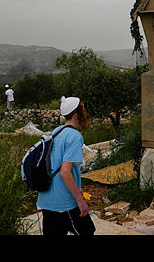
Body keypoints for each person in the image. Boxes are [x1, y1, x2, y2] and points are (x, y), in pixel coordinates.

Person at [36, 96, 95, 236]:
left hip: (47, 199)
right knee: (87, 231)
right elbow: (65, 172)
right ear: (76, 115)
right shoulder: (74, 136)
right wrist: (80, 201)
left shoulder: (56, 132)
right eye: (83, 110)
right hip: (64, 202)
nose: (85, 113)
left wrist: (78, 187)